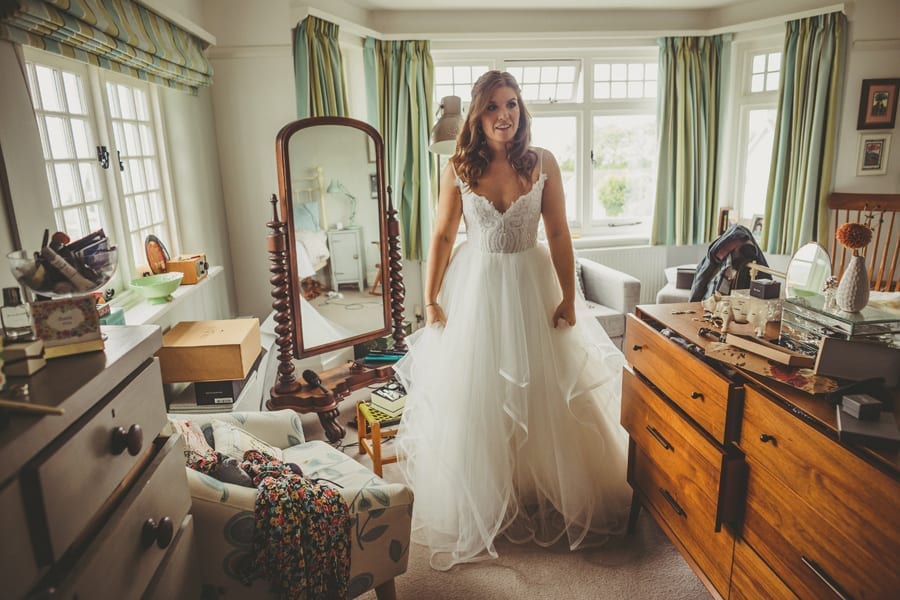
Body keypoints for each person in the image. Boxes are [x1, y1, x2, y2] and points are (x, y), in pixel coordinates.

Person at [392, 70, 631, 571]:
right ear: (477, 116)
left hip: (531, 284)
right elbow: (440, 237)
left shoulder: (541, 163)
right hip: (476, 288)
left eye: (513, 104)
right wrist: (430, 299)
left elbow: (560, 233)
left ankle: (538, 487)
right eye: (493, 107)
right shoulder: (458, 167)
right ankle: (487, 494)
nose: (505, 115)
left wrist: (570, 297)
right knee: (478, 394)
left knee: (544, 390)